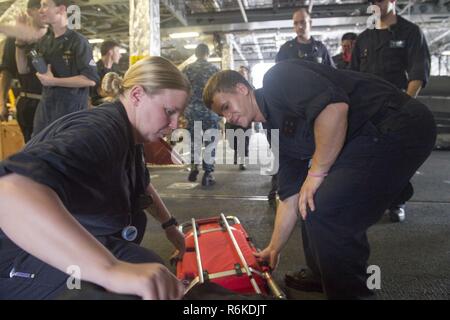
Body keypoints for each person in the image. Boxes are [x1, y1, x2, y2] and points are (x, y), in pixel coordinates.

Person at [202, 60, 436, 299]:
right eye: (222, 114)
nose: (228, 117)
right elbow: (289, 195)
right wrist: (274, 247)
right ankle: (322, 273)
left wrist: (315, 174)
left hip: (398, 122)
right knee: (308, 199)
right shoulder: (277, 132)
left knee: (329, 210)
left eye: (226, 106)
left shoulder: (277, 78)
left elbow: (334, 109)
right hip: (367, 137)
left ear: (242, 89)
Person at [0, 56, 190, 300]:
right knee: (126, 293)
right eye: (169, 111)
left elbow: (141, 185)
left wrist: (170, 227)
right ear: (136, 96)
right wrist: (111, 271)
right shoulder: (98, 131)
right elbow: (10, 191)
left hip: (74, 237)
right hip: (15, 254)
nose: (174, 124)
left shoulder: (129, 133)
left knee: (150, 267)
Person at [351, 0, 431, 222]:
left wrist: (403, 106)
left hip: (397, 108)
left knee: (396, 158)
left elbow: (417, 73)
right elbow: (353, 76)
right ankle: (371, 201)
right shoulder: (364, 38)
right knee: (366, 158)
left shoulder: (410, 32)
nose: (376, 3)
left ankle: (397, 202)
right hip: (367, 111)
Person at [30, 0, 99, 135]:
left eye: (45, 5)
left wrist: (53, 81)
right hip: (46, 109)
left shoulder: (78, 41)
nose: (40, 10)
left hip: (71, 112)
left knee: (67, 152)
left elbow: (90, 79)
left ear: (60, 9)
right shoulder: (44, 42)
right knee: (38, 149)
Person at [183, 43, 220, 186]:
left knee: (194, 140)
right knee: (210, 142)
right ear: (207, 54)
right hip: (209, 111)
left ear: (196, 54)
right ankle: (208, 173)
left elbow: (183, 90)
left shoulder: (187, 69)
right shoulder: (214, 70)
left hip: (192, 111)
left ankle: (194, 166)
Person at [91, 40, 122, 106]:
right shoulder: (94, 70)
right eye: (117, 51)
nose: (120, 55)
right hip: (97, 105)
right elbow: (98, 93)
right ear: (110, 52)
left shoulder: (116, 70)